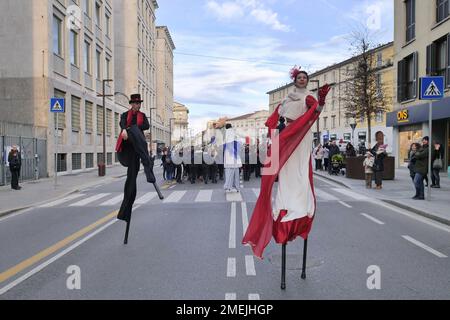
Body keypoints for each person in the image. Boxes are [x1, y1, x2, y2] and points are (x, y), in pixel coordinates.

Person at [243, 66, 330, 258]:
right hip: (286, 134)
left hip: (300, 135)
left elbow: (316, 111)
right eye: (299, 77)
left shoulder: (308, 96)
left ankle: (300, 206)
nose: (302, 80)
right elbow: (276, 117)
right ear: (294, 80)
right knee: (284, 172)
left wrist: (321, 100)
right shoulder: (287, 98)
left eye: (305, 77)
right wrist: (272, 129)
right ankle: (285, 204)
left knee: (299, 170)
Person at [115, 93, 156, 222]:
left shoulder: (142, 116)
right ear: (131, 104)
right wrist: (126, 130)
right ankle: (147, 166)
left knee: (132, 179)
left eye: (139, 103)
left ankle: (125, 209)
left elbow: (146, 126)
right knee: (133, 133)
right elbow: (122, 124)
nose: (137, 105)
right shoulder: (124, 115)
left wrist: (132, 128)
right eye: (135, 103)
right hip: (128, 147)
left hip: (137, 146)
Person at [223, 124, 242, 193]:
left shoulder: (225, 133)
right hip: (236, 155)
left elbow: (224, 144)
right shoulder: (234, 132)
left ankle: (228, 186)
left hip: (228, 155)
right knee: (236, 172)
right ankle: (237, 187)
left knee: (228, 172)